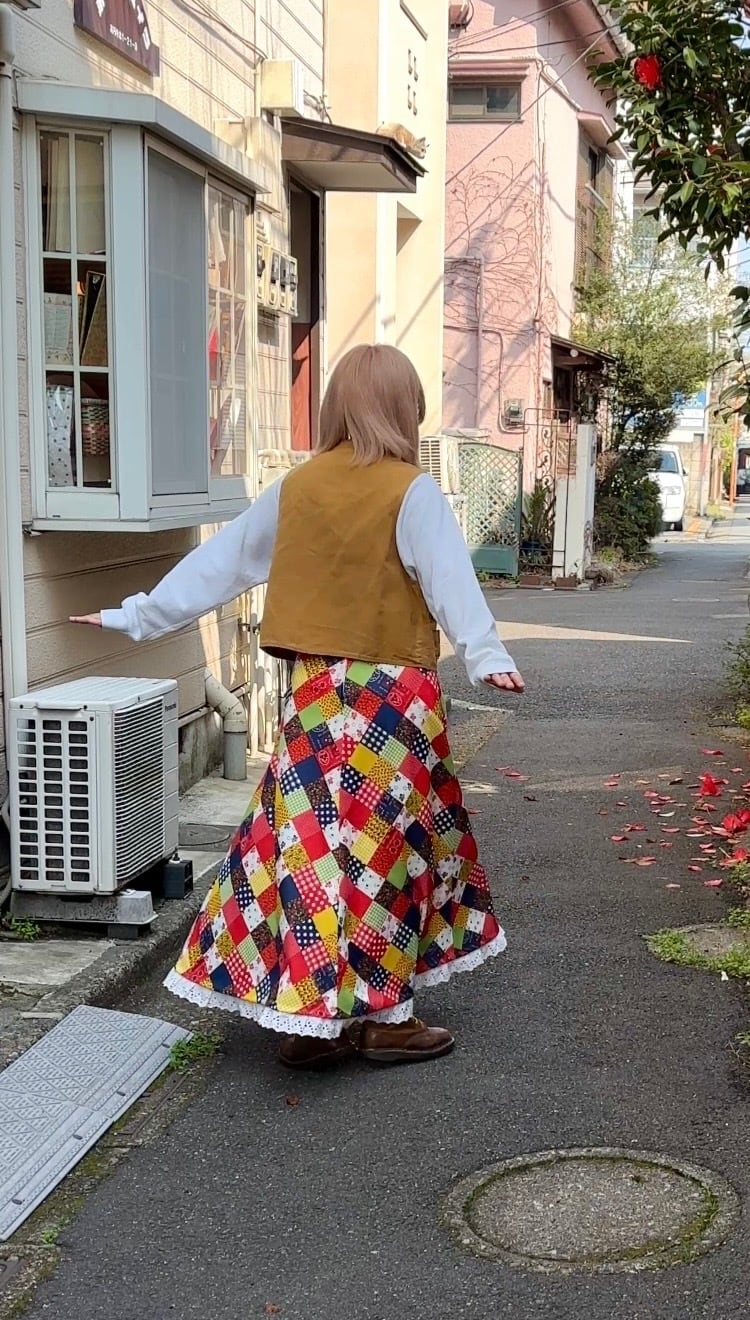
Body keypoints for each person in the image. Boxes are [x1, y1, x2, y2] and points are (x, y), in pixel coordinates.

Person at [72, 344, 525, 1070]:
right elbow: (450, 583)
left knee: (308, 850)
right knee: (383, 854)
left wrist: (137, 615)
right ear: (403, 408)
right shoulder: (411, 491)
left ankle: (311, 1019)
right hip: (391, 703)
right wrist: (486, 654)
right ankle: (381, 1020)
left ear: (338, 405)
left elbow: (220, 565)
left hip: (315, 696)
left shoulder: (296, 488)